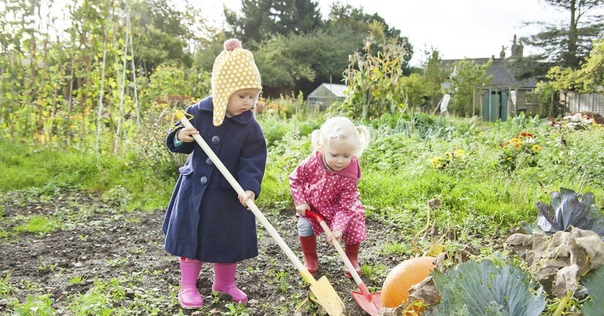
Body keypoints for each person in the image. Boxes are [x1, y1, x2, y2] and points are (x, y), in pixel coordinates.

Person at [163, 38, 267, 310]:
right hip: (195, 191)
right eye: (242, 96)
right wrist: (180, 136)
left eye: (252, 97)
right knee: (192, 237)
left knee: (227, 239)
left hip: (227, 195)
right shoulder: (198, 112)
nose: (248, 102)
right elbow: (178, 141)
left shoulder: (250, 127)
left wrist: (249, 187)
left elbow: (253, 160)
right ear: (223, 91)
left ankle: (224, 283)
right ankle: (188, 285)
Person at [289, 117, 371, 278]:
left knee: (354, 223)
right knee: (305, 226)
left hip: (339, 209)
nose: (340, 161)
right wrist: (301, 201)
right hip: (313, 206)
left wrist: (338, 228)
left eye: (346, 156)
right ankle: (310, 258)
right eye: (334, 155)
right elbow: (295, 179)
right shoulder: (312, 162)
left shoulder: (350, 173)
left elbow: (346, 205)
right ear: (322, 148)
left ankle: (351, 259)